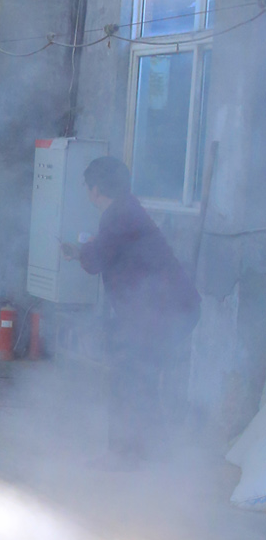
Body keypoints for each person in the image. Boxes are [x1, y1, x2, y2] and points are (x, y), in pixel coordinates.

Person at [62, 154, 199, 469]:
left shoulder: (117, 214)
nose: (87, 193)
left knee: (129, 376)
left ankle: (123, 455)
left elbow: (96, 260)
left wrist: (79, 252)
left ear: (96, 189)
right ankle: (153, 455)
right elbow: (106, 251)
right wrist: (85, 251)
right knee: (141, 379)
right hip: (167, 311)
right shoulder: (126, 209)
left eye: (87, 187)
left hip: (163, 313)